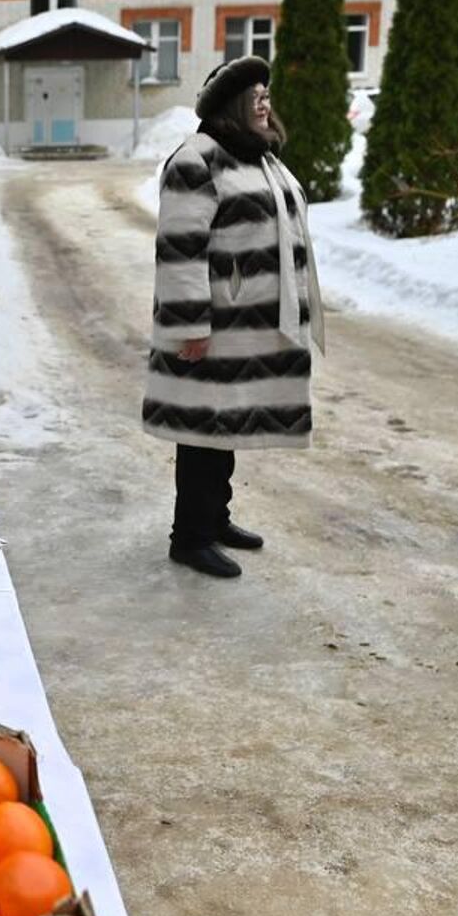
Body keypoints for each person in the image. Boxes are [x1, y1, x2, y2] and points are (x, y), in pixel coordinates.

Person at [142, 56, 326, 578]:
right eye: (254, 98)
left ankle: (215, 519)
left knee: (226, 424)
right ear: (230, 106)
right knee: (203, 430)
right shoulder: (196, 160)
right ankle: (190, 536)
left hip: (247, 328)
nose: (265, 104)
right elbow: (180, 250)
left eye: (267, 94)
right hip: (213, 326)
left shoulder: (258, 157)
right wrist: (189, 328)